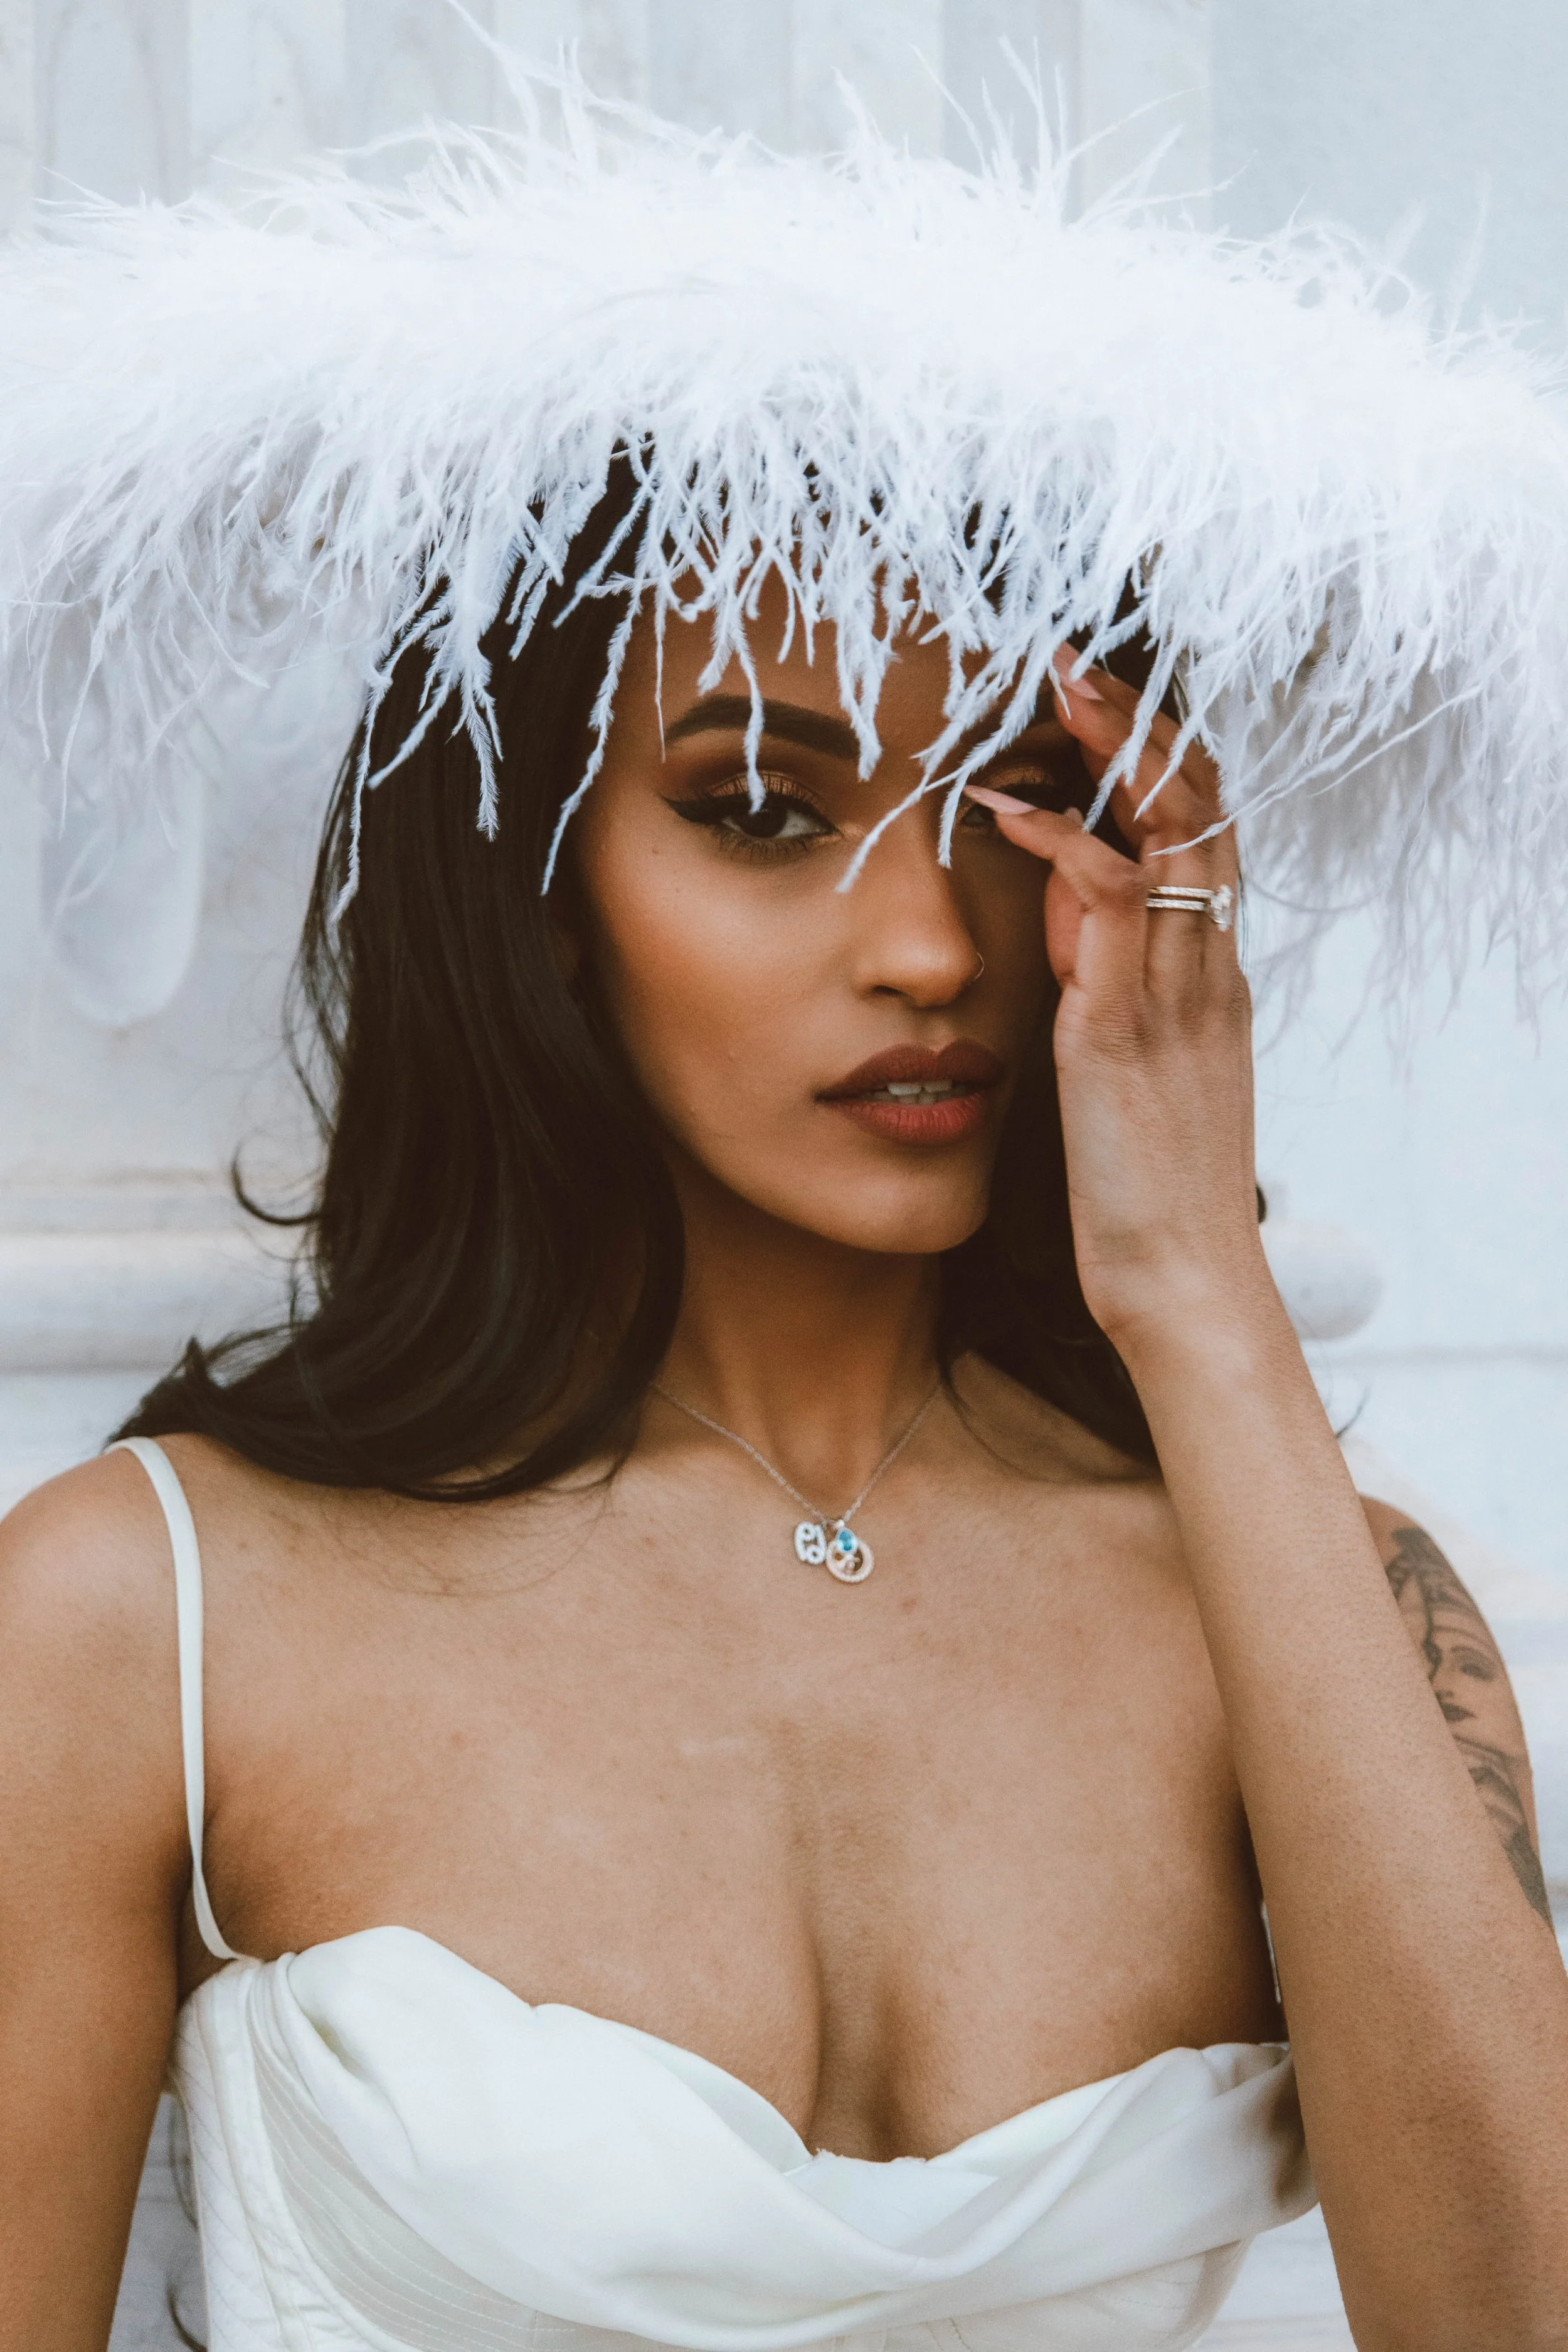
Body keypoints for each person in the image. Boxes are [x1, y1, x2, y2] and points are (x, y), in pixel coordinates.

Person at [1, 70, 1566, 2352]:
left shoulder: (1318, 1594)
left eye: (1007, 803)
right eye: (758, 806)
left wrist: (1196, 1293)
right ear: (537, 886)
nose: (927, 940)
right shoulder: (135, 1616)